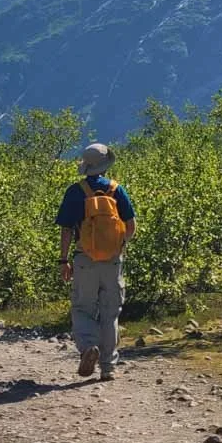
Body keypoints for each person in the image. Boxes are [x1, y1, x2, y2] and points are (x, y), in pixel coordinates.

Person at [55, 142, 136, 381]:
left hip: (84, 259)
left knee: (82, 308)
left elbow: (66, 230)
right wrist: (118, 246)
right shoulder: (116, 190)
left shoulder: (75, 191)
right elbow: (131, 226)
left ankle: (89, 346)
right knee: (111, 313)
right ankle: (108, 368)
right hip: (112, 261)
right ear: (105, 165)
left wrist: (63, 260)